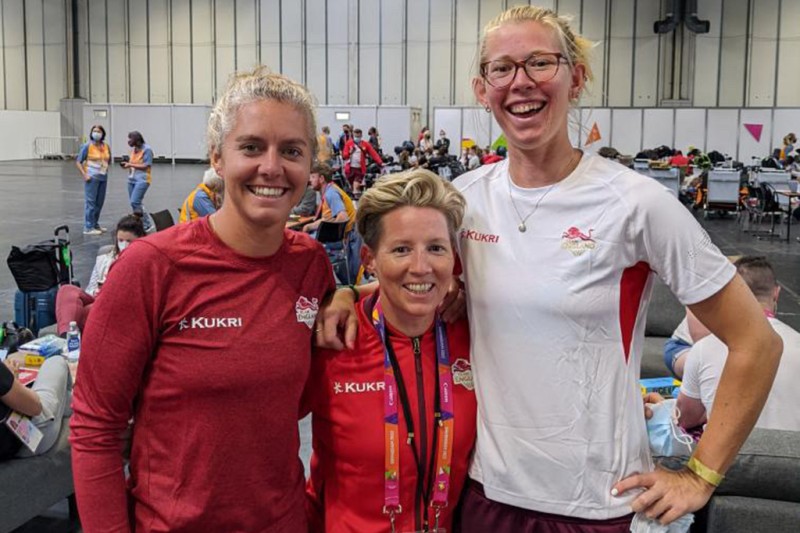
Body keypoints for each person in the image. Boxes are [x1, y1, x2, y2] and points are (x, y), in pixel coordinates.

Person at [317, 6, 781, 531]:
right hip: (482, 492)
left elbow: (757, 343)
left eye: (540, 63)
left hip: (592, 502)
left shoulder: (636, 204)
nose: (522, 83)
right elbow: (415, 280)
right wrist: (344, 294)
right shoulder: (463, 201)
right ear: (482, 87)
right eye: (503, 68)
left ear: (575, 78)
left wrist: (700, 475)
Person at [70, 66, 335, 532]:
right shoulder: (151, 268)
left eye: (291, 151)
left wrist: (353, 293)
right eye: (251, 147)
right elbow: (95, 429)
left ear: (309, 162)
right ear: (217, 156)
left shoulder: (312, 267)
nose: (271, 167)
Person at [305, 169, 476, 533]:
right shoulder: (332, 339)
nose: (421, 267)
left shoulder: (473, 335)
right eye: (401, 249)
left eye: (435, 248)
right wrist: (346, 293)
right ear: (369, 259)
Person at [676, 256, 800, 432]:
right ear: (776, 293)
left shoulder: (704, 348)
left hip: (727, 457)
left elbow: (685, 418)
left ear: (731, 294)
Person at [55, 214, 146, 335]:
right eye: (120, 240)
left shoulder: (145, 262)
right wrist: (98, 291)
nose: (124, 244)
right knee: (66, 290)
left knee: (82, 312)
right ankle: (66, 335)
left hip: (119, 305)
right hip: (98, 298)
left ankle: (72, 332)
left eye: (129, 241)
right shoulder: (104, 257)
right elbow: (91, 287)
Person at [1, 355, 71, 460]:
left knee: (64, 397)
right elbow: (36, 408)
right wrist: (12, 380)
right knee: (55, 361)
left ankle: (72, 404)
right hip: (27, 438)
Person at [303, 162, 360, 284]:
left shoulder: (331, 194)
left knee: (303, 246)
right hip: (346, 237)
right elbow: (327, 219)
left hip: (344, 239)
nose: (310, 180)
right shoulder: (330, 190)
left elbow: (342, 216)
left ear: (321, 179)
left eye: (313, 177)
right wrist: (308, 226)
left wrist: (329, 231)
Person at [76, 124, 111, 236]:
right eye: (94, 131)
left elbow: (108, 159)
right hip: (91, 177)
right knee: (91, 203)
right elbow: (78, 162)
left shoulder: (105, 146)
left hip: (103, 176)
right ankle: (88, 226)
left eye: (99, 131)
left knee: (99, 202)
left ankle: (95, 223)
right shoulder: (87, 146)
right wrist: (84, 174)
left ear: (102, 134)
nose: (96, 133)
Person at [122, 131, 154, 229]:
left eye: (130, 139)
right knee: (136, 203)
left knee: (135, 201)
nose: (129, 141)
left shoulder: (147, 150)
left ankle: (147, 223)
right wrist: (127, 165)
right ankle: (140, 223)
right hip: (132, 179)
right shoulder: (134, 150)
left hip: (142, 180)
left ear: (136, 139)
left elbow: (146, 165)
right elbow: (133, 163)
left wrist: (130, 165)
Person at [343, 128, 383, 197]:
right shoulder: (348, 143)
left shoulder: (365, 144)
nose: (357, 138)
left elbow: (373, 153)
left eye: (358, 136)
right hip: (350, 169)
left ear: (361, 136)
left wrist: (380, 162)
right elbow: (344, 156)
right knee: (352, 186)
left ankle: (356, 195)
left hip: (360, 169)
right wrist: (350, 152)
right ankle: (355, 197)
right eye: (356, 136)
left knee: (356, 184)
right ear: (353, 135)